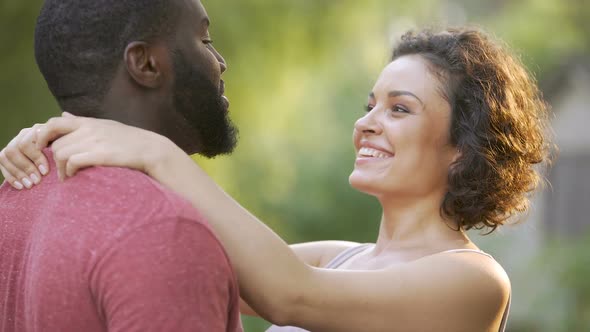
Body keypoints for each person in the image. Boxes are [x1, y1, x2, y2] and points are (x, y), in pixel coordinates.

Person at [1, 27, 552, 331]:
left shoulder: (475, 283)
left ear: (462, 148)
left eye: (399, 109)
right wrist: (60, 137)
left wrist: (157, 152)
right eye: (369, 105)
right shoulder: (339, 259)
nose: (366, 123)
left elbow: (292, 296)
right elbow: (183, 259)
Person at [0, 0, 243, 331]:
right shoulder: (163, 234)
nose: (221, 62)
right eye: (205, 41)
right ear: (145, 63)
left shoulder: (15, 197)